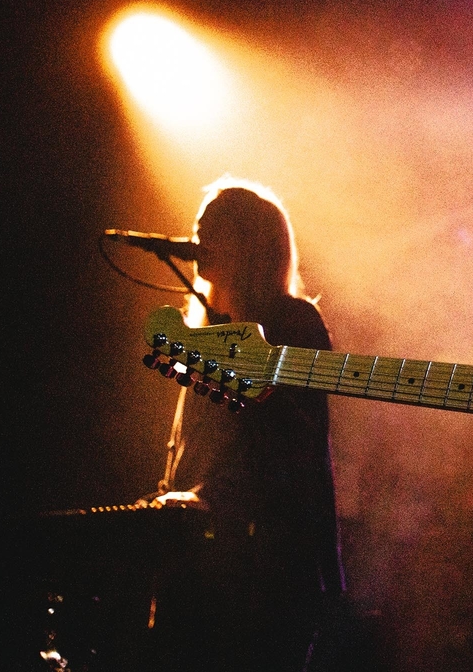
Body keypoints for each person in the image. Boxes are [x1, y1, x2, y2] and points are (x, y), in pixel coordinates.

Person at [167, 179, 345, 670]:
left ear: (245, 243)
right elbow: (192, 447)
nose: (197, 238)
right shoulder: (202, 331)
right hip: (201, 566)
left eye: (211, 229)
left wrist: (213, 494)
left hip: (271, 569)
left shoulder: (294, 322)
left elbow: (302, 444)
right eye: (197, 227)